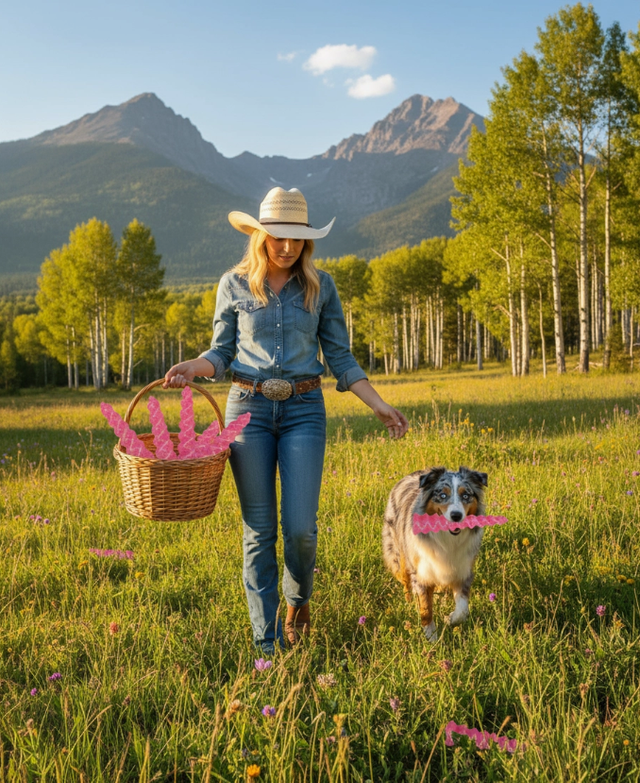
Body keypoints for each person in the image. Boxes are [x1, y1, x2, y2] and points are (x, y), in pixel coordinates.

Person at [164, 187, 408, 653]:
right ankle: (268, 641)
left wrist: (376, 403)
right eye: (277, 237)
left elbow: (339, 355)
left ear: (306, 241)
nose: (286, 246)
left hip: (303, 410)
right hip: (247, 410)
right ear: (259, 236)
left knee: (301, 528)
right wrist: (194, 367)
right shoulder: (233, 284)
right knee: (259, 531)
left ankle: (297, 602)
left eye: (296, 238)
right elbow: (221, 351)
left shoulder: (321, 286)